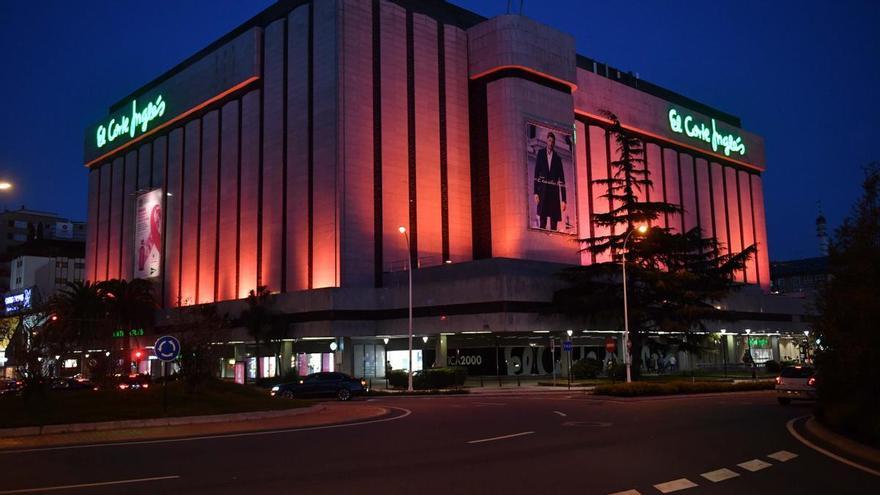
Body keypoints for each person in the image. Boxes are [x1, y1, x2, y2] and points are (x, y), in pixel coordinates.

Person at [533, 132, 567, 231]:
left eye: (552, 141)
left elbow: (562, 180)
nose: (551, 143)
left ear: (554, 143)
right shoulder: (540, 154)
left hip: (554, 194)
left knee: (554, 223)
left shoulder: (558, 159)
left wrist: (564, 200)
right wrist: (535, 192)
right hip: (543, 192)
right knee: (542, 222)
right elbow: (536, 173)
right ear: (546, 141)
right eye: (549, 141)